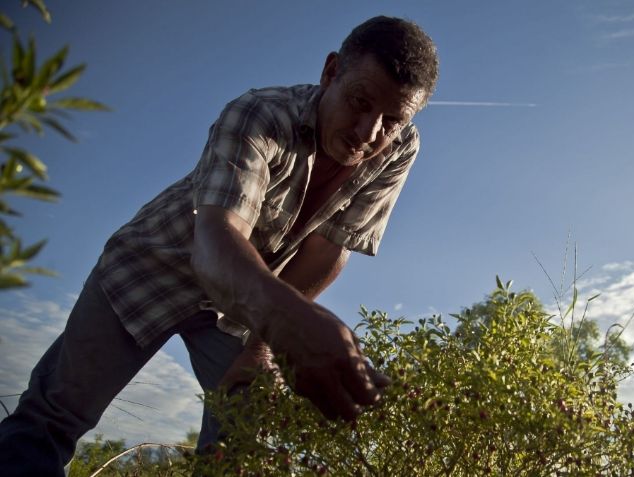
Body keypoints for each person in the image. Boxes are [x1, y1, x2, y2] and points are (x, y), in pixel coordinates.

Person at [0, 15, 438, 476]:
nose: (368, 133)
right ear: (331, 72)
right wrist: (289, 322)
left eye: (391, 119)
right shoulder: (260, 114)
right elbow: (215, 241)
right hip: (149, 269)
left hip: (244, 309)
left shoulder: (399, 147)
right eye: (359, 102)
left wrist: (262, 344)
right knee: (51, 419)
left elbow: (328, 251)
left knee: (239, 455)